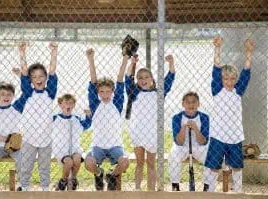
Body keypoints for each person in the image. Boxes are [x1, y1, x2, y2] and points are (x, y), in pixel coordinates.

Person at [204, 36, 255, 192]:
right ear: (221, 79)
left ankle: (238, 192)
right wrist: (217, 48)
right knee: (213, 167)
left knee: (237, 167)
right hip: (218, 135)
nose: (229, 81)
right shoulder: (217, 89)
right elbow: (216, 67)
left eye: (233, 78)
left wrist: (248, 52)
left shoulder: (237, 91)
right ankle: (209, 192)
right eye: (226, 78)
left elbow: (246, 73)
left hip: (235, 136)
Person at [125, 55, 175, 191]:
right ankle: (137, 189)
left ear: (152, 79)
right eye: (140, 78)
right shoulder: (134, 92)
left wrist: (171, 63)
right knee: (140, 163)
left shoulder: (158, 93)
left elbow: (169, 80)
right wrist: (132, 63)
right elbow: (127, 79)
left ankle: (151, 191)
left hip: (152, 134)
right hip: (138, 133)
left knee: (151, 163)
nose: (143, 80)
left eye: (146, 77)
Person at [84, 48, 129, 191]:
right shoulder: (95, 104)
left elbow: (120, 80)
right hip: (98, 146)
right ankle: (99, 174)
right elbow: (93, 81)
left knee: (125, 162)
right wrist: (91, 59)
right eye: (102, 91)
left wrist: (125, 59)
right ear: (98, 93)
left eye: (108, 91)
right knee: (88, 163)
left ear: (112, 91)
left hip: (115, 146)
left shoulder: (116, 103)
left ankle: (111, 175)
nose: (105, 94)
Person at [17, 42, 58, 191]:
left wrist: (54, 53)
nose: (38, 78)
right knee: (26, 166)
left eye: (41, 76)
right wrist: (22, 53)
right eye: (34, 77)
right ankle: (24, 187)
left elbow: (53, 71)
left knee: (44, 167)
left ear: (45, 78)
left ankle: (45, 189)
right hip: (29, 139)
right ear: (31, 80)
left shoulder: (50, 93)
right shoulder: (28, 92)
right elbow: (23, 72)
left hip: (46, 139)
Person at [0, 81, 26, 191]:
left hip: (15, 146)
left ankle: (21, 184)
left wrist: (20, 76)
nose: (6, 97)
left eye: (9, 94)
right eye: (3, 94)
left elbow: (26, 93)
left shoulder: (17, 107)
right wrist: (7, 139)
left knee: (23, 159)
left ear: (13, 96)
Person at [169, 91, 211, 191]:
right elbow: (179, 142)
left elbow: (203, 142)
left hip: (199, 147)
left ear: (198, 104)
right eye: (188, 102)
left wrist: (196, 129)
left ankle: (207, 187)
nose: (191, 105)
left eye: (194, 102)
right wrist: (183, 128)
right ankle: (175, 186)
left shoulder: (204, 117)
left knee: (210, 156)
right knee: (173, 155)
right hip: (182, 147)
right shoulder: (177, 117)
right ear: (183, 104)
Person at [52, 93, 92, 191]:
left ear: (74, 105)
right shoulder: (55, 118)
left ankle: (73, 179)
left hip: (75, 147)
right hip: (61, 149)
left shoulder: (76, 119)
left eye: (71, 103)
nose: (68, 105)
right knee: (69, 162)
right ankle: (63, 180)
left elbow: (86, 125)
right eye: (65, 103)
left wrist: (88, 116)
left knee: (77, 159)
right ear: (60, 105)